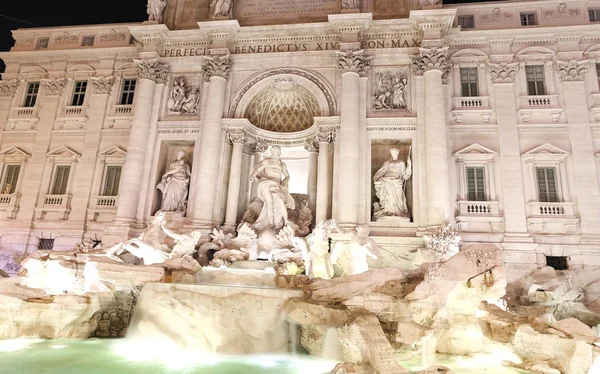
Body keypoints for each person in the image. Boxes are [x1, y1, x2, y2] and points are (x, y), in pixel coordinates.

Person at [243, 145, 295, 232]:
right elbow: (257, 169)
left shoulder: (282, 165)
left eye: (276, 152)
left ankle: (285, 220)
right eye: (273, 152)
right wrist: (252, 176)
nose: (274, 154)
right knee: (269, 202)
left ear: (279, 153)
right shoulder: (267, 161)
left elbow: (287, 176)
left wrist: (285, 182)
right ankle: (271, 223)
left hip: (277, 185)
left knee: (279, 199)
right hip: (266, 183)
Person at [373, 147, 412, 220]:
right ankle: (388, 212)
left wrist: (409, 165)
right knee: (389, 197)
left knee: (398, 198)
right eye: (392, 152)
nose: (394, 154)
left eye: (395, 152)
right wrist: (376, 178)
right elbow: (382, 171)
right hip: (387, 181)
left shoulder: (401, 163)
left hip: (397, 183)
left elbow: (405, 175)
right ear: (391, 153)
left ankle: (398, 212)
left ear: (398, 153)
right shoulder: (387, 163)